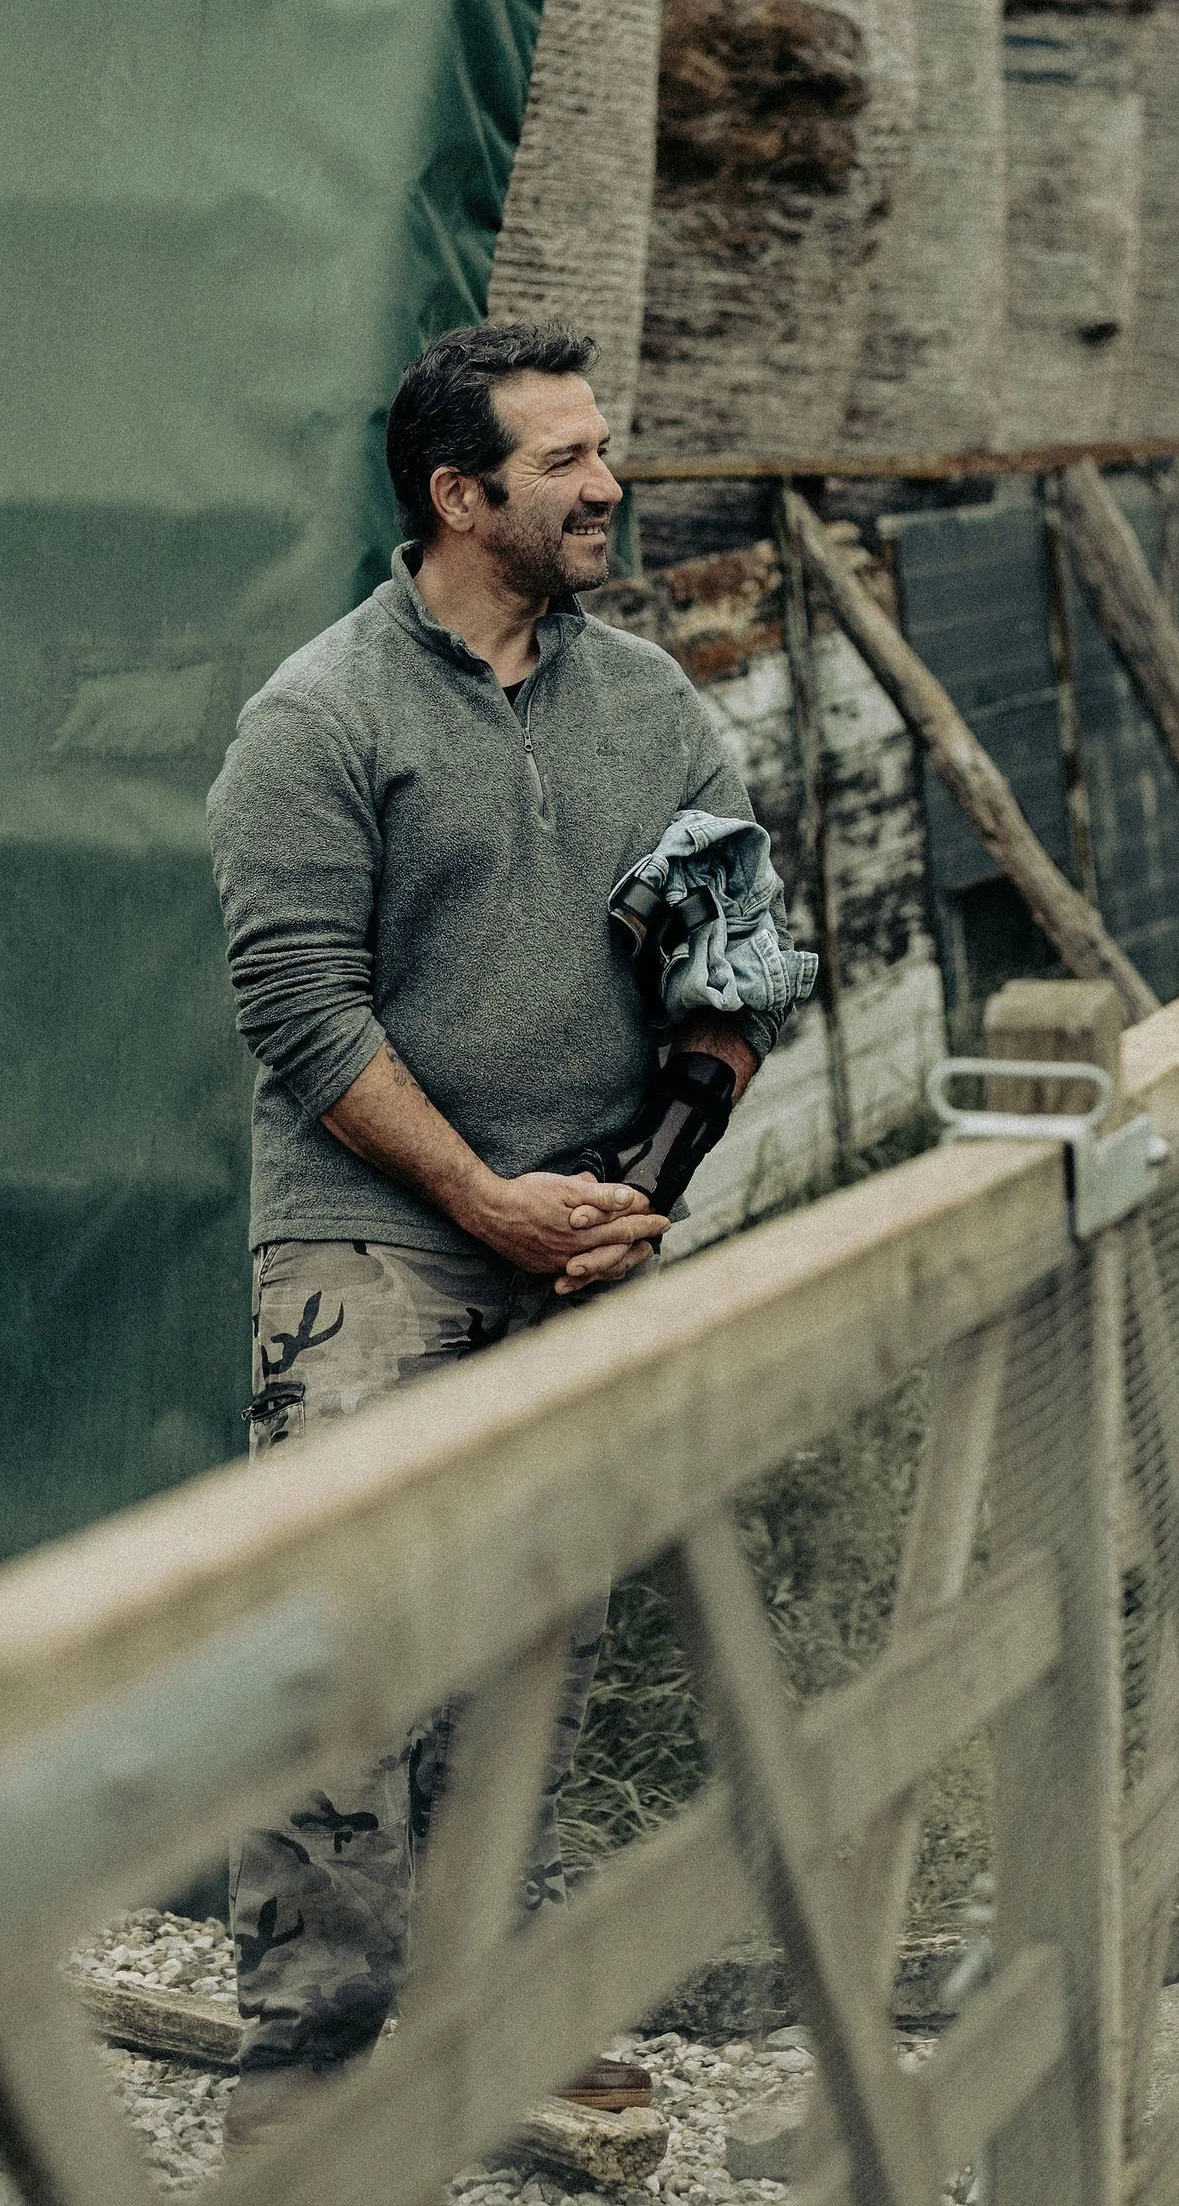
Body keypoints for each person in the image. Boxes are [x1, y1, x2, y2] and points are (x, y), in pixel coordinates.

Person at [207, 321, 792, 2143]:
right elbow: (300, 1008)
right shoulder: (319, 715)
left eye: (602, 448)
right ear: (460, 497)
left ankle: (488, 2020)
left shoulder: (656, 707)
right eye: (566, 461)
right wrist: (481, 1198)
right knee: (339, 1650)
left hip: (587, 1232)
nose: (608, 483)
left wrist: (638, 1193)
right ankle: (307, 2064)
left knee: (539, 1642)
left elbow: (737, 966)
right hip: (370, 1239)